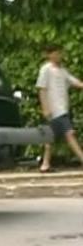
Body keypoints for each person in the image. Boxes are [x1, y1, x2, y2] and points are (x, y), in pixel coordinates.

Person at [36, 44, 83, 172]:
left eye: (59, 53)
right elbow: (42, 89)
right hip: (54, 109)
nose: (58, 56)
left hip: (62, 109)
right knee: (69, 134)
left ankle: (45, 164)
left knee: (50, 138)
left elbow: (75, 82)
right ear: (49, 55)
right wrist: (45, 108)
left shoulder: (62, 71)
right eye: (56, 53)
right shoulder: (46, 69)